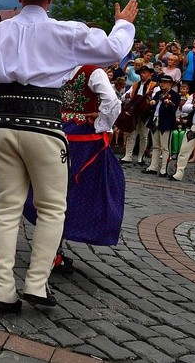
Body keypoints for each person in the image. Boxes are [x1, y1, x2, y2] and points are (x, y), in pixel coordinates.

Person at [0, 0, 137, 313]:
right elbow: (114, 51)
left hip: (2, 127)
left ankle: (2, 289)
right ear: (50, 0)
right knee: (53, 207)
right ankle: (37, 285)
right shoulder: (65, 32)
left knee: (6, 207)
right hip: (43, 127)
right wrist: (123, 23)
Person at [23, 63, 125, 273]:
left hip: (55, 129)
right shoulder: (93, 71)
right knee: (76, 191)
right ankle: (52, 252)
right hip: (82, 140)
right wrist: (103, 121)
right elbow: (113, 101)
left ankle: (50, 248)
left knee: (50, 188)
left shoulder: (56, 66)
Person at [142, 75, 181, 177]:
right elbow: (153, 104)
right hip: (155, 120)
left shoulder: (175, 95)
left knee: (165, 147)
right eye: (162, 82)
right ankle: (153, 166)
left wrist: (169, 103)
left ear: (170, 84)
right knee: (155, 146)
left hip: (166, 123)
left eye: (165, 82)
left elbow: (174, 108)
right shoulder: (158, 93)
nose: (162, 84)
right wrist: (152, 102)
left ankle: (164, 169)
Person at [120, 65, 156, 166]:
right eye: (141, 73)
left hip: (146, 113)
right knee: (131, 133)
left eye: (144, 73)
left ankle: (141, 156)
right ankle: (128, 155)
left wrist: (150, 98)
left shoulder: (154, 85)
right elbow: (125, 95)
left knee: (144, 135)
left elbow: (155, 98)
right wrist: (126, 96)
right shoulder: (135, 85)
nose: (142, 75)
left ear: (149, 74)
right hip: (135, 113)